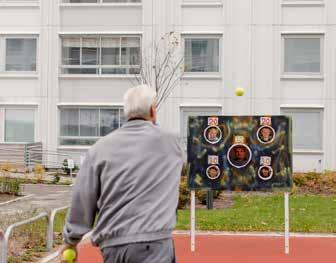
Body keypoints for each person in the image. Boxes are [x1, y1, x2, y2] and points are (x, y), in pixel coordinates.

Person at [61, 85, 185, 263]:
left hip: (113, 247)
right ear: (152, 110)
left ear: (125, 113)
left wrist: (71, 241)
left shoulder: (99, 148)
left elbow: (83, 196)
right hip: (153, 244)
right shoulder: (172, 143)